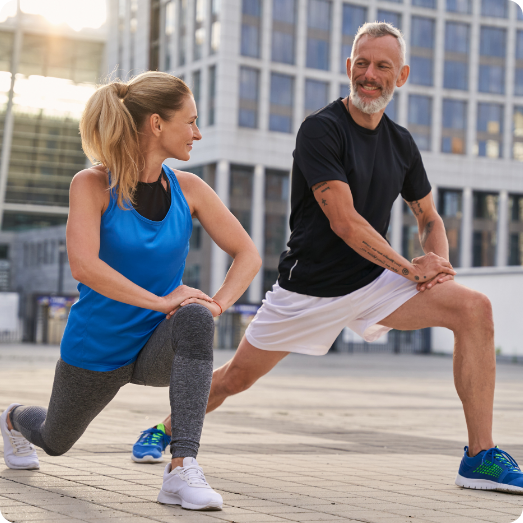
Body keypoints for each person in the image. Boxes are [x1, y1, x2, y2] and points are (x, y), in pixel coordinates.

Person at [131, 24, 523, 494]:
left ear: (402, 75)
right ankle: (167, 427)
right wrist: (411, 268)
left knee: (473, 308)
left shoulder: (402, 144)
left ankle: (479, 457)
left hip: (374, 284)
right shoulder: (322, 129)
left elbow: (429, 217)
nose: (369, 74)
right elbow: (344, 220)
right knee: (236, 378)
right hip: (308, 288)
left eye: (382, 66)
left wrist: (436, 268)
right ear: (348, 68)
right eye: (362, 63)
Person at [0, 71, 262, 511]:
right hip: (98, 350)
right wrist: (162, 301)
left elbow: (248, 254)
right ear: (157, 124)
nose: (197, 133)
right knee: (54, 439)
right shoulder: (91, 185)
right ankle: (11, 418)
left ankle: (181, 468)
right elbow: (85, 266)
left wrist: (215, 305)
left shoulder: (190, 189)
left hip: (157, 344)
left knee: (196, 317)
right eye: (191, 121)